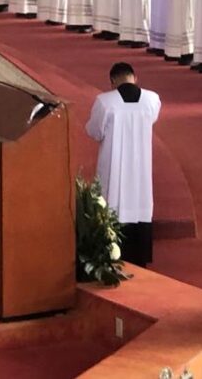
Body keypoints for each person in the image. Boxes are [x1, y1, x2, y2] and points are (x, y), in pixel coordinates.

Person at [85, 62, 161, 267]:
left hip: (114, 166)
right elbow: (151, 119)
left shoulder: (105, 102)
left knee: (112, 202)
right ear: (135, 78)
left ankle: (112, 257)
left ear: (112, 82)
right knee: (140, 201)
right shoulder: (152, 99)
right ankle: (140, 259)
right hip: (141, 166)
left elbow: (94, 131)